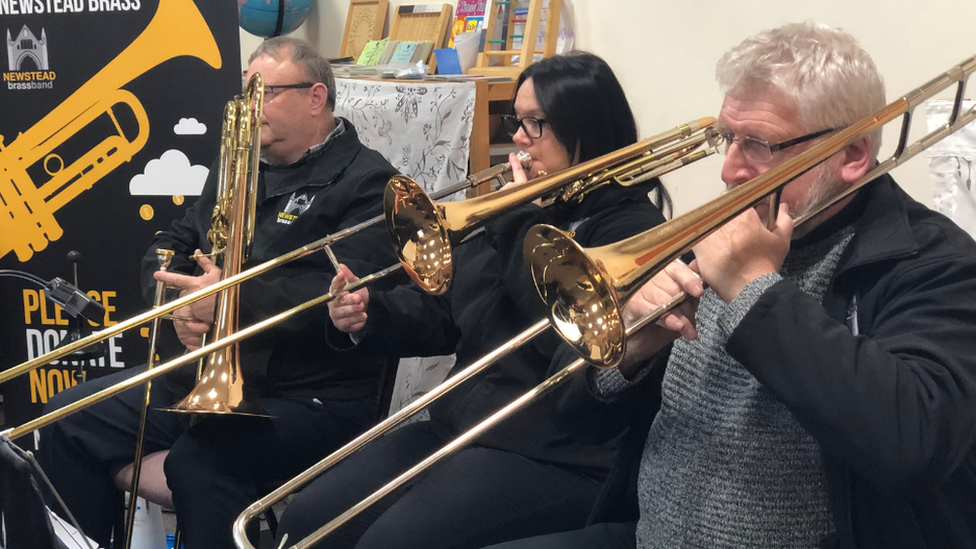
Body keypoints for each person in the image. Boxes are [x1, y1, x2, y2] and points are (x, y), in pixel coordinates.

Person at [483, 21, 976, 549]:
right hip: (650, 534)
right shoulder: (715, 231)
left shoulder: (934, 262)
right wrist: (624, 355)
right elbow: (578, 421)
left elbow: (914, 446)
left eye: (760, 145)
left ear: (852, 156)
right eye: (728, 138)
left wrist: (754, 290)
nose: (728, 170)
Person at [273, 52, 673, 549]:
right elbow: (446, 317)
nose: (520, 139)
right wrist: (370, 312)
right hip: (462, 425)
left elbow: (565, 330)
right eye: (516, 120)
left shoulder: (627, 231)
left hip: (553, 452)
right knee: (308, 517)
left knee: (391, 543)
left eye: (536, 124)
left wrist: (516, 221)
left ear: (585, 130)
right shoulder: (527, 211)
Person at [36, 37, 403, 549]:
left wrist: (229, 301)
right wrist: (180, 303)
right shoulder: (237, 166)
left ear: (316, 98)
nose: (249, 109)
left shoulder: (368, 181)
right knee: (67, 420)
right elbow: (174, 242)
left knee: (201, 467)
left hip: (311, 394)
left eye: (265, 94)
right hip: (209, 377)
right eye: (245, 95)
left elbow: (342, 290)